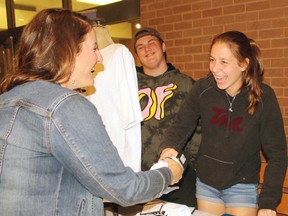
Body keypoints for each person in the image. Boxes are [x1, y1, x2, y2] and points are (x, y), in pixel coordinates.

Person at [0, 8, 184, 216]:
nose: (100, 58)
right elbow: (124, 189)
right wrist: (169, 173)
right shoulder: (67, 105)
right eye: (94, 48)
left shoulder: (6, 100)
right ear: (68, 51)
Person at [159, 30, 287, 216]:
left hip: (242, 186)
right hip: (206, 184)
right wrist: (168, 148)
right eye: (212, 60)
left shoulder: (263, 97)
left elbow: (278, 154)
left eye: (224, 62)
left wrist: (268, 201)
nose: (214, 68)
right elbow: (181, 125)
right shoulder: (203, 89)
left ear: (244, 64)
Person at [134, 27, 201, 207]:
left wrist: (187, 162)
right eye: (140, 47)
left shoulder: (186, 84)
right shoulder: (128, 86)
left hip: (179, 174)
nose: (146, 49)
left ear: (163, 46)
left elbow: (199, 126)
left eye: (151, 43)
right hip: (141, 174)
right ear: (137, 55)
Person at [85, 25, 142, 172]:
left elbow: (129, 110)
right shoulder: (87, 60)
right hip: (100, 133)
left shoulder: (119, 52)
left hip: (116, 131)